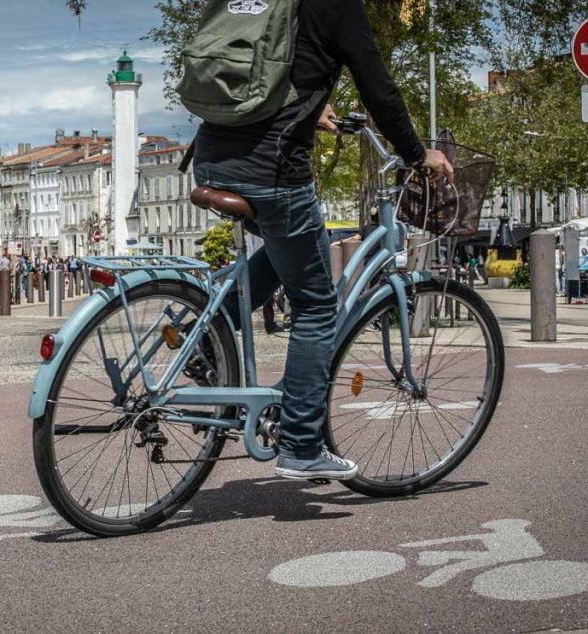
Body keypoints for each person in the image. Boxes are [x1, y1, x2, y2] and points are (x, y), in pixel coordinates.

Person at [193, 0, 454, 481]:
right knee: (316, 308)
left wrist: (311, 109)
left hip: (210, 157)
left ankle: (202, 340)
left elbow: (263, 77)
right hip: (272, 171)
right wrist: (417, 154)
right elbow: (378, 87)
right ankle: (301, 443)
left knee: (280, 251)